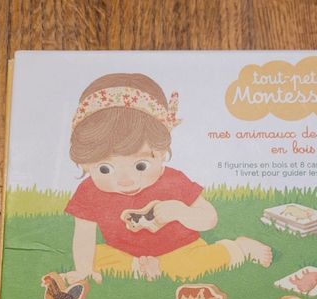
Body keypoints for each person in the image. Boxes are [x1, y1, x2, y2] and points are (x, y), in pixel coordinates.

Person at [62, 73, 272, 283]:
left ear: (161, 153)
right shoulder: (89, 191)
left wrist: (181, 212)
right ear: (86, 164)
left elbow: (210, 219)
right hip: (124, 254)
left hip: (180, 251)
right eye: (105, 169)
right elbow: (84, 234)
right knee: (95, 255)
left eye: (140, 165)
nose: (126, 180)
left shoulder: (173, 181)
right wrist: (83, 271)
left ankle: (239, 248)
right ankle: (143, 268)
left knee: (190, 265)